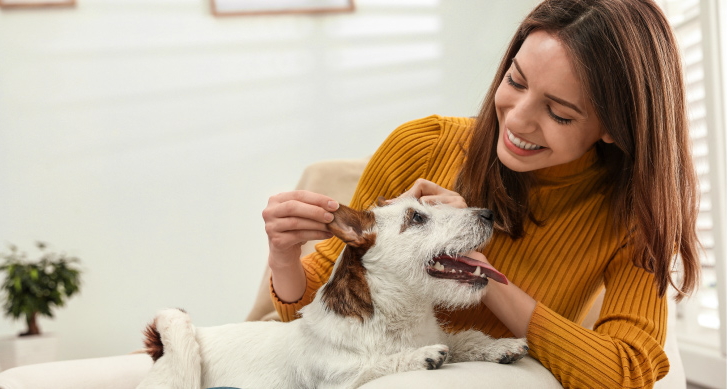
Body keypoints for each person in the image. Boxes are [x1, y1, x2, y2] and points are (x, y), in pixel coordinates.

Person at [261, 0, 701, 387]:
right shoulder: (423, 145)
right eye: (516, 81)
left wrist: (477, 273)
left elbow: (627, 372)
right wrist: (283, 254)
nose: (518, 121)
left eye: (559, 113)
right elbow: (306, 308)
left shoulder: (632, 221)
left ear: (613, 128)